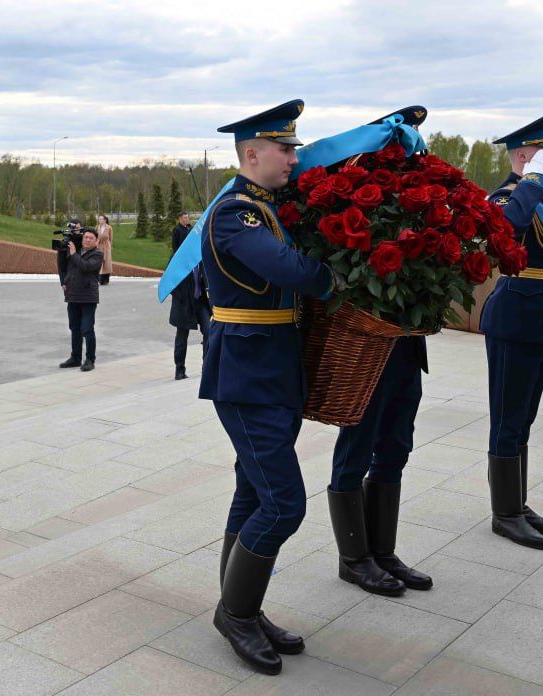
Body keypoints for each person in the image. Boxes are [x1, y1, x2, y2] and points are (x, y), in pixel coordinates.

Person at [204, 100, 337, 676]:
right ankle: (235, 614)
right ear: (251, 153)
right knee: (284, 504)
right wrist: (336, 277)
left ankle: (242, 607)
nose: (293, 157)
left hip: (273, 367)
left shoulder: (268, 209)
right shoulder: (238, 213)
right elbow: (290, 271)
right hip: (248, 373)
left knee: (255, 493)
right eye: (284, 148)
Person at [328, 107, 435, 598]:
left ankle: (382, 551)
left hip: (405, 349)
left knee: (395, 446)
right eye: (400, 145)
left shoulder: (418, 204)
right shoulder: (352, 197)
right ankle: (355, 558)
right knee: (357, 447)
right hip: (364, 350)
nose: (409, 153)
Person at [481, 112, 543, 550]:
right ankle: (505, 514)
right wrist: (531, 183)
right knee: (508, 415)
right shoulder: (506, 197)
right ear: (523, 154)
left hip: (541, 316)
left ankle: (517, 502)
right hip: (515, 317)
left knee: (525, 415)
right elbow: (503, 233)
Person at [169, 212, 210, 380]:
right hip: (183, 302)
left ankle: (206, 365)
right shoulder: (176, 259)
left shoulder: (201, 257)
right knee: (182, 335)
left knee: (209, 330)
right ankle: (180, 369)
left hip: (200, 300)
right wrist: (181, 295)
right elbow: (170, 283)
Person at [57, 227, 103, 372]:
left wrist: (73, 254)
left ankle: (90, 359)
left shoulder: (97, 254)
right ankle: (75, 357)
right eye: (85, 238)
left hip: (88, 297)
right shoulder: (74, 252)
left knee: (87, 329)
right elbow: (64, 267)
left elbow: (86, 267)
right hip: (73, 295)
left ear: (96, 241)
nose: (87, 240)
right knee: (74, 328)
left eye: (91, 238)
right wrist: (64, 281)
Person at [95, 214, 113, 285]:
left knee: (106, 263)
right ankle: (99, 279)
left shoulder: (109, 228)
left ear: (105, 220)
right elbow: (95, 236)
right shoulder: (97, 227)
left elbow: (111, 238)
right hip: (98, 246)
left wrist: (110, 246)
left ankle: (106, 279)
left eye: (101, 219)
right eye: (99, 219)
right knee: (99, 262)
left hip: (106, 246)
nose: (100, 220)